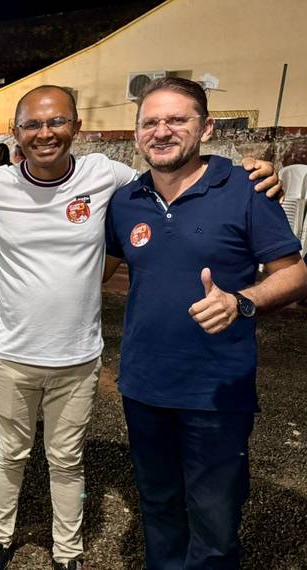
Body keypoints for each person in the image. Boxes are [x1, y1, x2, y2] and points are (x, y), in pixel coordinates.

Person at [0, 85, 281, 570]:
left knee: (72, 462)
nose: (45, 133)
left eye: (56, 122)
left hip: (87, 358)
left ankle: (67, 553)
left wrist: (252, 174)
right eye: (32, 124)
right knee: (12, 454)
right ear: (15, 132)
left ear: (77, 126)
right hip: (17, 353)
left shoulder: (111, 177)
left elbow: (178, 168)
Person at [103, 77, 307, 570]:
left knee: (215, 520)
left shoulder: (247, 188)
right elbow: (94, 272)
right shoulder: (126, 202)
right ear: (136, 134)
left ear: (206, 127)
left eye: (177, 119)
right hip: (144, 384)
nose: (162, 131)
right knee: (158, 508)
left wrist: (242, 301)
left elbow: (296, 274)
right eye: (150, 121)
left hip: (216, 391)